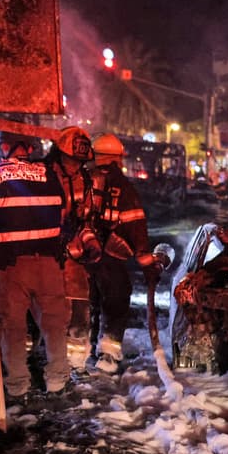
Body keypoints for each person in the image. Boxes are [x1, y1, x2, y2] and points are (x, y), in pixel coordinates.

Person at [0, 130, 70, 400]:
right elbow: (63, 211)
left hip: (10, 265)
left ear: (5, 147)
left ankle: (17, 385)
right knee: (54, 323)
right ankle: (57, 380)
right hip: (48, 263)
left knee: (13, 326)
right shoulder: (49, 173)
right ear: (29, 149)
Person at [74, 132, 153, 373]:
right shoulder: (125, 188)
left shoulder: (80, 181)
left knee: (86, 304)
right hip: (113, 259)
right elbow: (136, 227)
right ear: (117, 158)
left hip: (82, 258)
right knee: (115, 304)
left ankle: (76, 359)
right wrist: (147, 265)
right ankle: (107, 356)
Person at [46, 126, 95, 367]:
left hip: (73, 258)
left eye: (80, 161)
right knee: (48, 314)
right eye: (72, 160)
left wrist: (90, 242)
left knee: (79, 307)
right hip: (47, 256)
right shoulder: (45, 175)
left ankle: (76, 364)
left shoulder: (83, 180)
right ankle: (47, 362)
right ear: (60, 155)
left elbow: (84, 219)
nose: (77, 165)